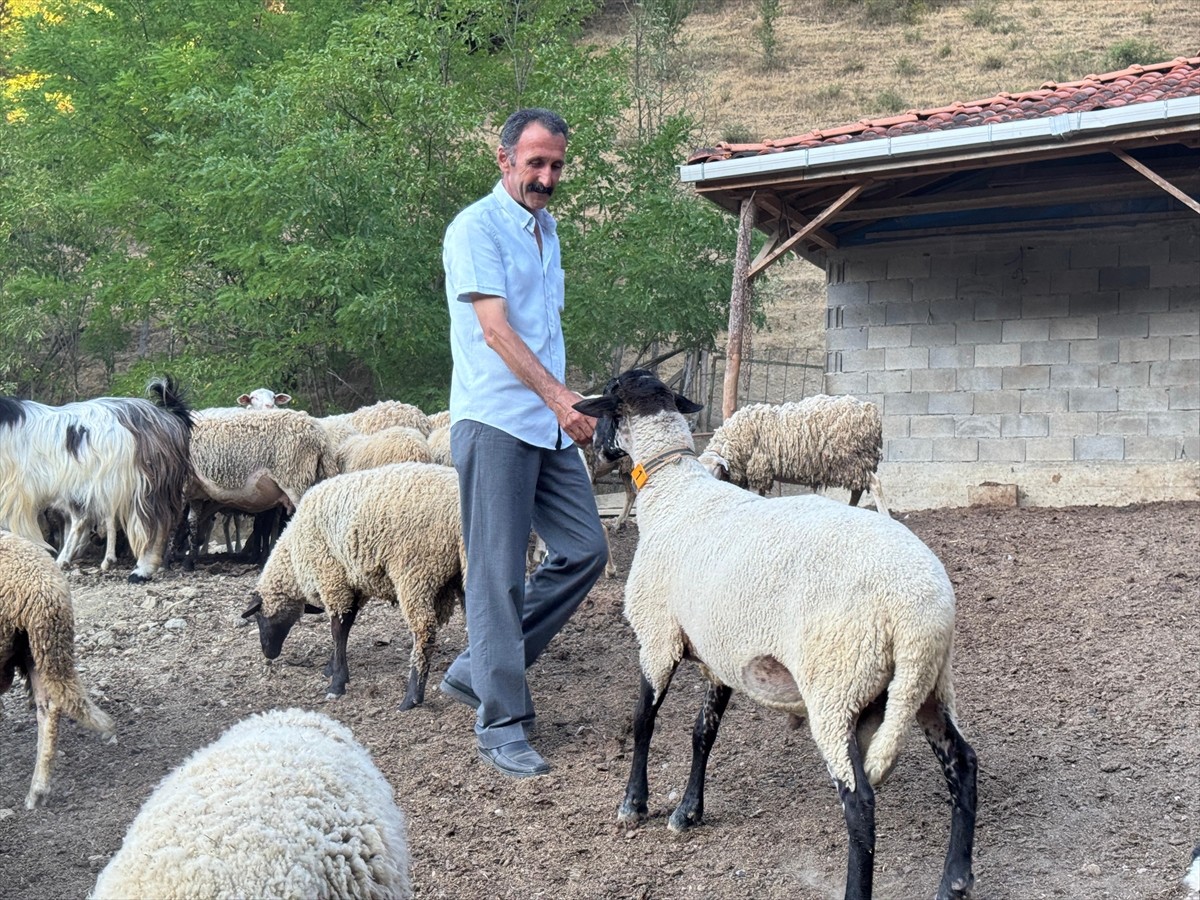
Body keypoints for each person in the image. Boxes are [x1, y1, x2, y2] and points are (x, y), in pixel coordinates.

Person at [440, 107, 609, 778]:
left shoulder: (548, 230)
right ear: (503, 159)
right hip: (496, 419)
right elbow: (496, 331)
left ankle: (477, 668)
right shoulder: (474, 229)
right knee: (496, 575)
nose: (546, 176)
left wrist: (562, 401)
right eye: (534, 163)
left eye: (556, 165)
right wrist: (561, 397)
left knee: (585, 550)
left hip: (544, 422)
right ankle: (502, 722)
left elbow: (543, 329)